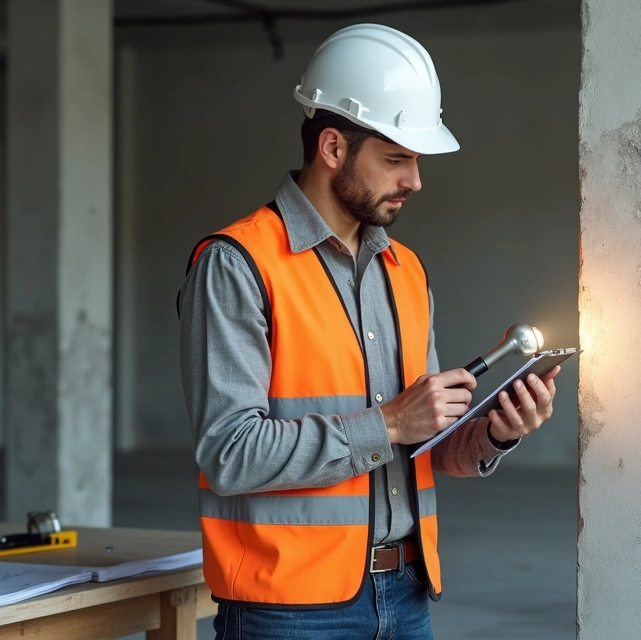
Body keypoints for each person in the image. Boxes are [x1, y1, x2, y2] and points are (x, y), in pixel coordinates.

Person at [177, 23, 560, 640]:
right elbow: (229, 452)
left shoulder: (405, 273)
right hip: (285, 613)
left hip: (405, 598)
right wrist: (386, 424)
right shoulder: (237, 264)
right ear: (332, 148)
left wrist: (492, 434)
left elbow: (425, 449)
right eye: (396, 159)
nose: (415, 180)